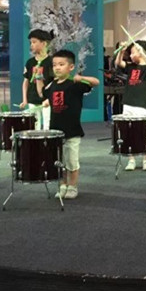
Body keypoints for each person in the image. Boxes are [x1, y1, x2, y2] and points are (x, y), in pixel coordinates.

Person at [42, 50, 100, 200]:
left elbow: (96, 82)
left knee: (72, 161)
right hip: (56, 131)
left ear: (71, 67)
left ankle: (73, 186)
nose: (57, 68)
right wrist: (46, 101)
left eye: (61, 64)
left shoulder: (75, 84)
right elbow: (47, 96)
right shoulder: (52, 85)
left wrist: (81, 78)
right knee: (59, 161)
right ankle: (62, 185)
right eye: (54, 65)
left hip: (72, 131)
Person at [114, 39, 146, 171]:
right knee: (128, 132)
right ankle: (131, 160)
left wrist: (143, 54)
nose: (131, 55)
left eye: (133, 52)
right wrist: (121, 51)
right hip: (128, 103)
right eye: (130, 53)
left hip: (143, 105)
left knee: (145, 134)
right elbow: (118, 63)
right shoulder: (130, 66)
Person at [20, 29, 53, 130]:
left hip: (47, 100)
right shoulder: (30, 62)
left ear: (44, 43)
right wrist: (25, 99)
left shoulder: (52, 62)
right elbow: (26, 82)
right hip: (32, 98)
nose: (31, 45)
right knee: (34, 125)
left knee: (47, 124)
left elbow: (54, 82)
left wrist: (49, 98)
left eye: (34, 42)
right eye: (30, 43)